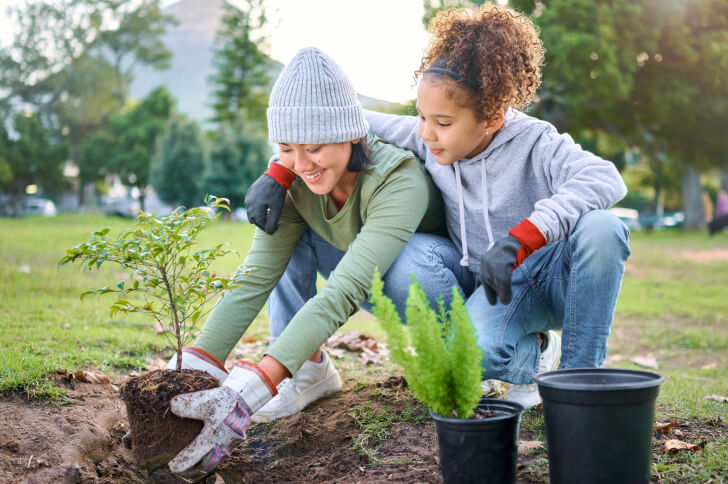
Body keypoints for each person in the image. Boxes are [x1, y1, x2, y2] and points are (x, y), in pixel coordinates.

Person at [246, 3, 630, 410]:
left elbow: (605, 179)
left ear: (493, 117)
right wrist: (279, 172)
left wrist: (524, 238)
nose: (426, 133)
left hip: (548, 277)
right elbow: (333, 123)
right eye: (421, 117)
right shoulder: (426, 134)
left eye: (443, 123)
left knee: (603, 227)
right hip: (490, 288)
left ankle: (578, 384)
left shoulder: (537, 143)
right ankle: (530, 353)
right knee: (427, 287)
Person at [163, 47, 448, 478]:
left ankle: (470, 352)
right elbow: (256, 277)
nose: (301, 164)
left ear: (352, 134)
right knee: (285, 233)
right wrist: (187, 372)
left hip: (434, 288)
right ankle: (309, 369)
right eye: (287, 149)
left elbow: (346, 289)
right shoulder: (293, 178)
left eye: (314, 147)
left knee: (413, 260)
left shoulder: (398, 179)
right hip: (362, 274)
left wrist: (252, 390)